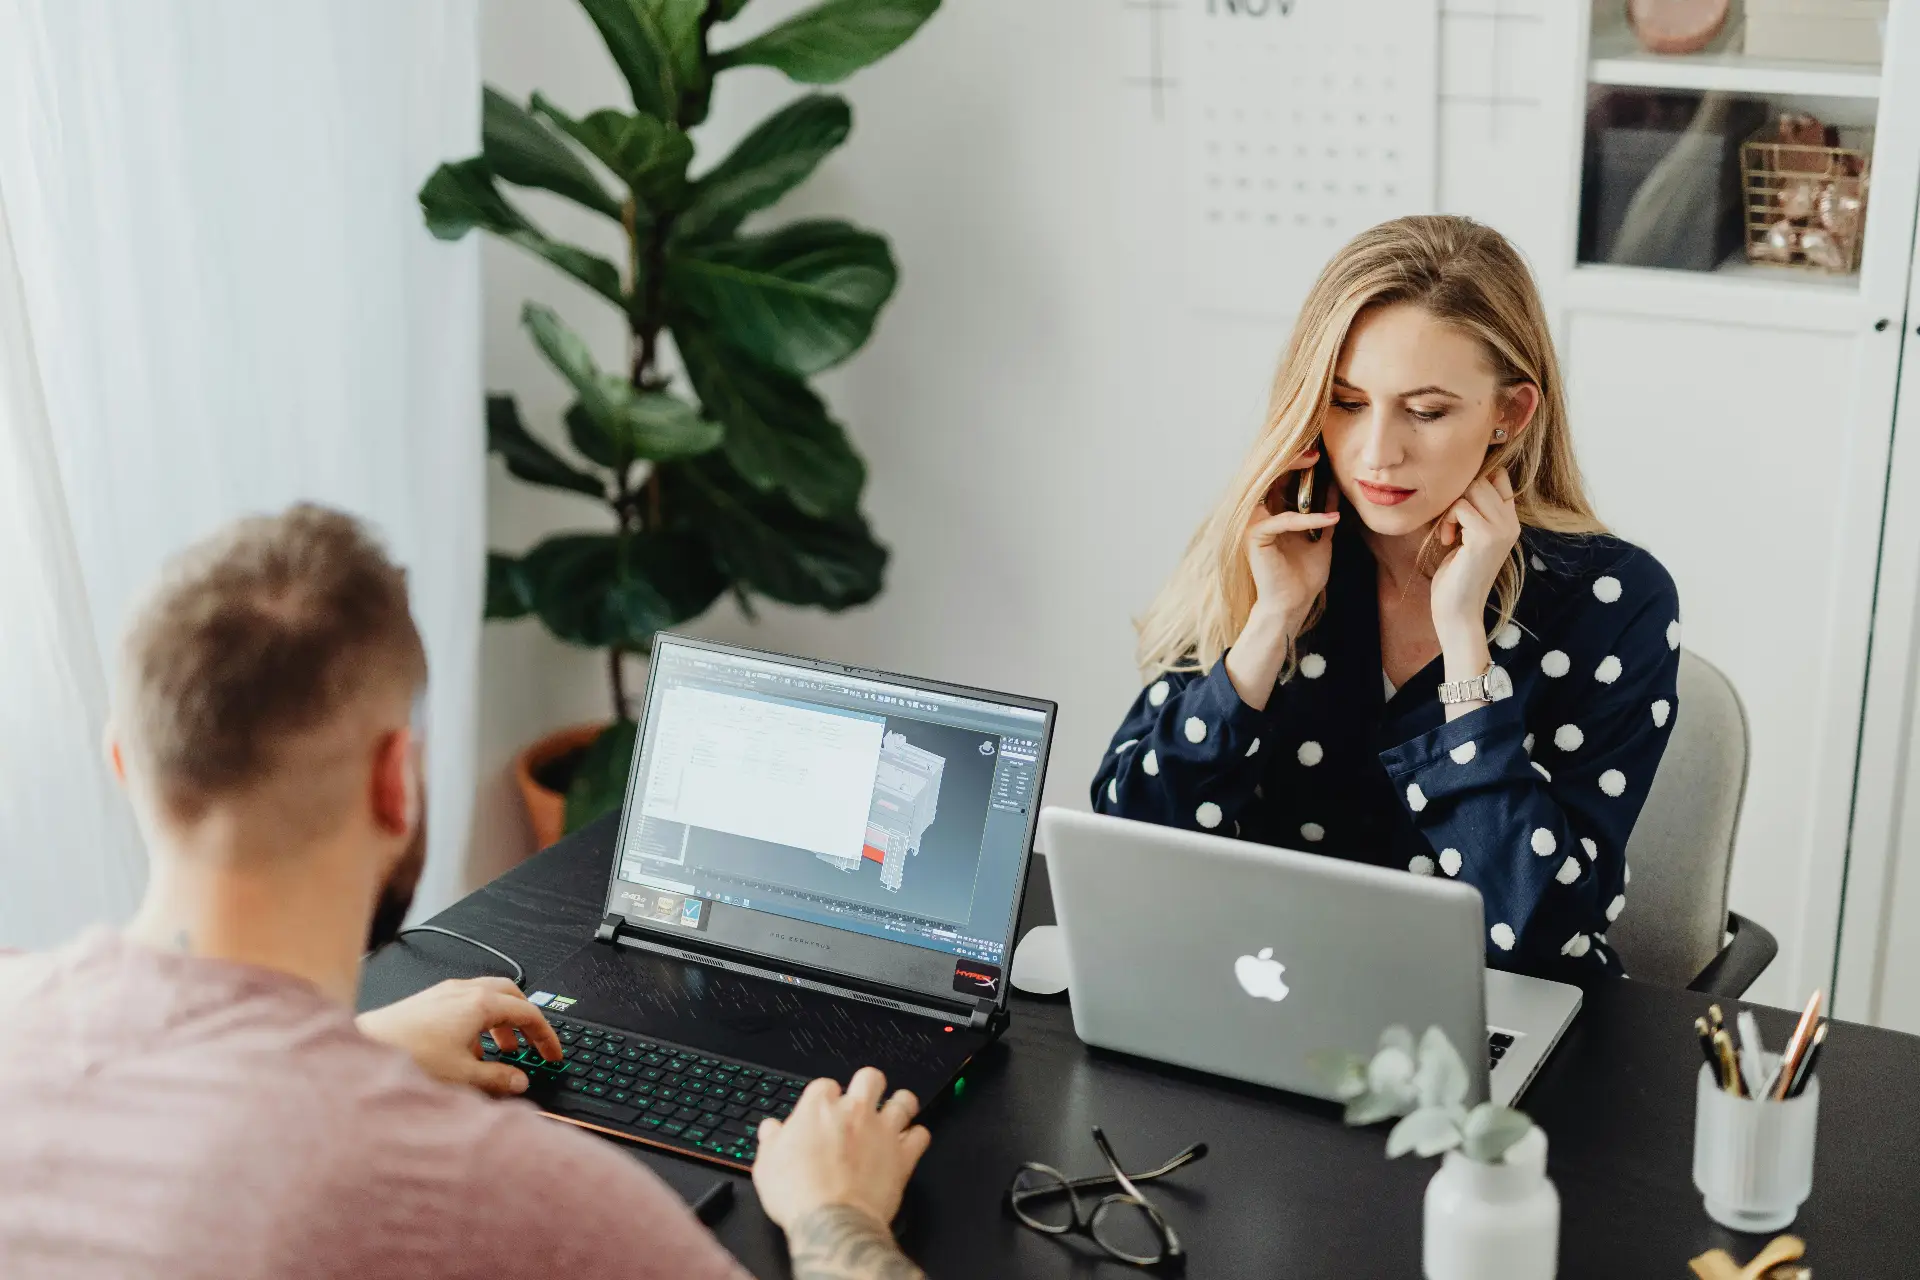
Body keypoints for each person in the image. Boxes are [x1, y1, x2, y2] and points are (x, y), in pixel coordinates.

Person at [0, 504, 930, 1280]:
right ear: (393, 780)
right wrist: (833, 1217)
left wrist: (354, 1046)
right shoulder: (503, 1199)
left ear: (123, 762)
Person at [1093, 215, 1680, 981]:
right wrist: (1270, 627)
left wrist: (1465, 641)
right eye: (1346, 402)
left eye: (1426, 411)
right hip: (1272, 992)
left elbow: (1540, 929)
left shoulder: (1613, 600)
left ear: (1510, 412)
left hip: (1496, 1024)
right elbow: (1131, 842)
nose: (1377, 452)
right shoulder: (1269, 542)